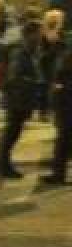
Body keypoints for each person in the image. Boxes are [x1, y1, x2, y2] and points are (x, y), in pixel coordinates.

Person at [0, 21, 43, 179]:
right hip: (16, 99)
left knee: (11, 132)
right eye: (39, 33)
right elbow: (15, 76)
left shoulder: (27, 50)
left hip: (19, 99)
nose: (41, 36)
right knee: (11, 133)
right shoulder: (20, 51)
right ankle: (3, 166)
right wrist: (34, 82)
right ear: (31, 34)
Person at [41, 44, 72, 184]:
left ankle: (58, 175)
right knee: (62, 145)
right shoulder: (62, 73)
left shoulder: (63, 74)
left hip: (66, 114)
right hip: (64, 113)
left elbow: (58, 94)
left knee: (62, 145)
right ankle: (58, 174)